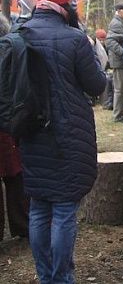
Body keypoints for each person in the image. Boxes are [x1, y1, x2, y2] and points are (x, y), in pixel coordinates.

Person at [19, 0, 106, 283]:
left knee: (40, 207)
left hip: (31, 133)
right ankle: (61, 278)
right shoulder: (73, 39)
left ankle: (46, 277)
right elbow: (97, 85)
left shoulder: (20, 34)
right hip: (69, 135)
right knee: (64, 209)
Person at [0, 14, 29, 241]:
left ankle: (22, 224)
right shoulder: (10, 47)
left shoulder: (8, 48)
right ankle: (21, 224)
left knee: (14, 172)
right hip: (6, 121)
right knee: (14, 173)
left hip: (6, 121)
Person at [106, 2, 123, 122]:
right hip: (120, 62)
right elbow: (110, 42)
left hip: (122, 62)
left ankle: (120, 114)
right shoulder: (116, 23)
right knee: (119, 90)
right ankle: (118, 116)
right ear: (119, 11)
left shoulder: (121, 22)